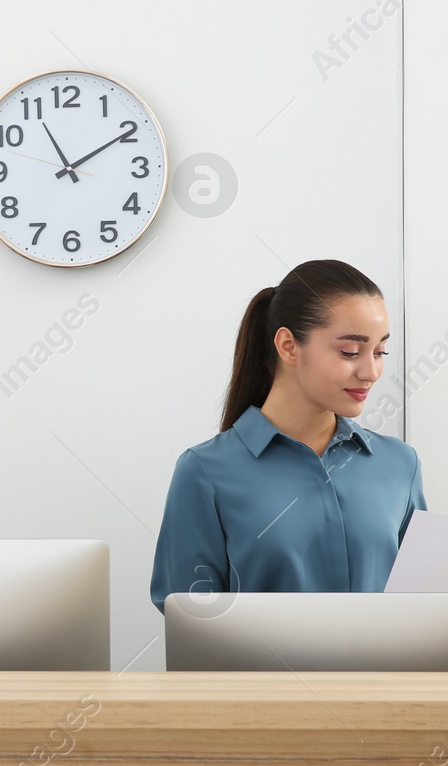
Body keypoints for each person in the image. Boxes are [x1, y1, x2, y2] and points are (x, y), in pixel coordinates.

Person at [150, 259, 422, 610]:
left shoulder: (399, 464)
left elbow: (422, 600)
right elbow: (188, 615)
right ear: (289, 346)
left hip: (383, 666)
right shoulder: (206, 471)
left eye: (380, 351)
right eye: (350, 352)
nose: (371, 371)